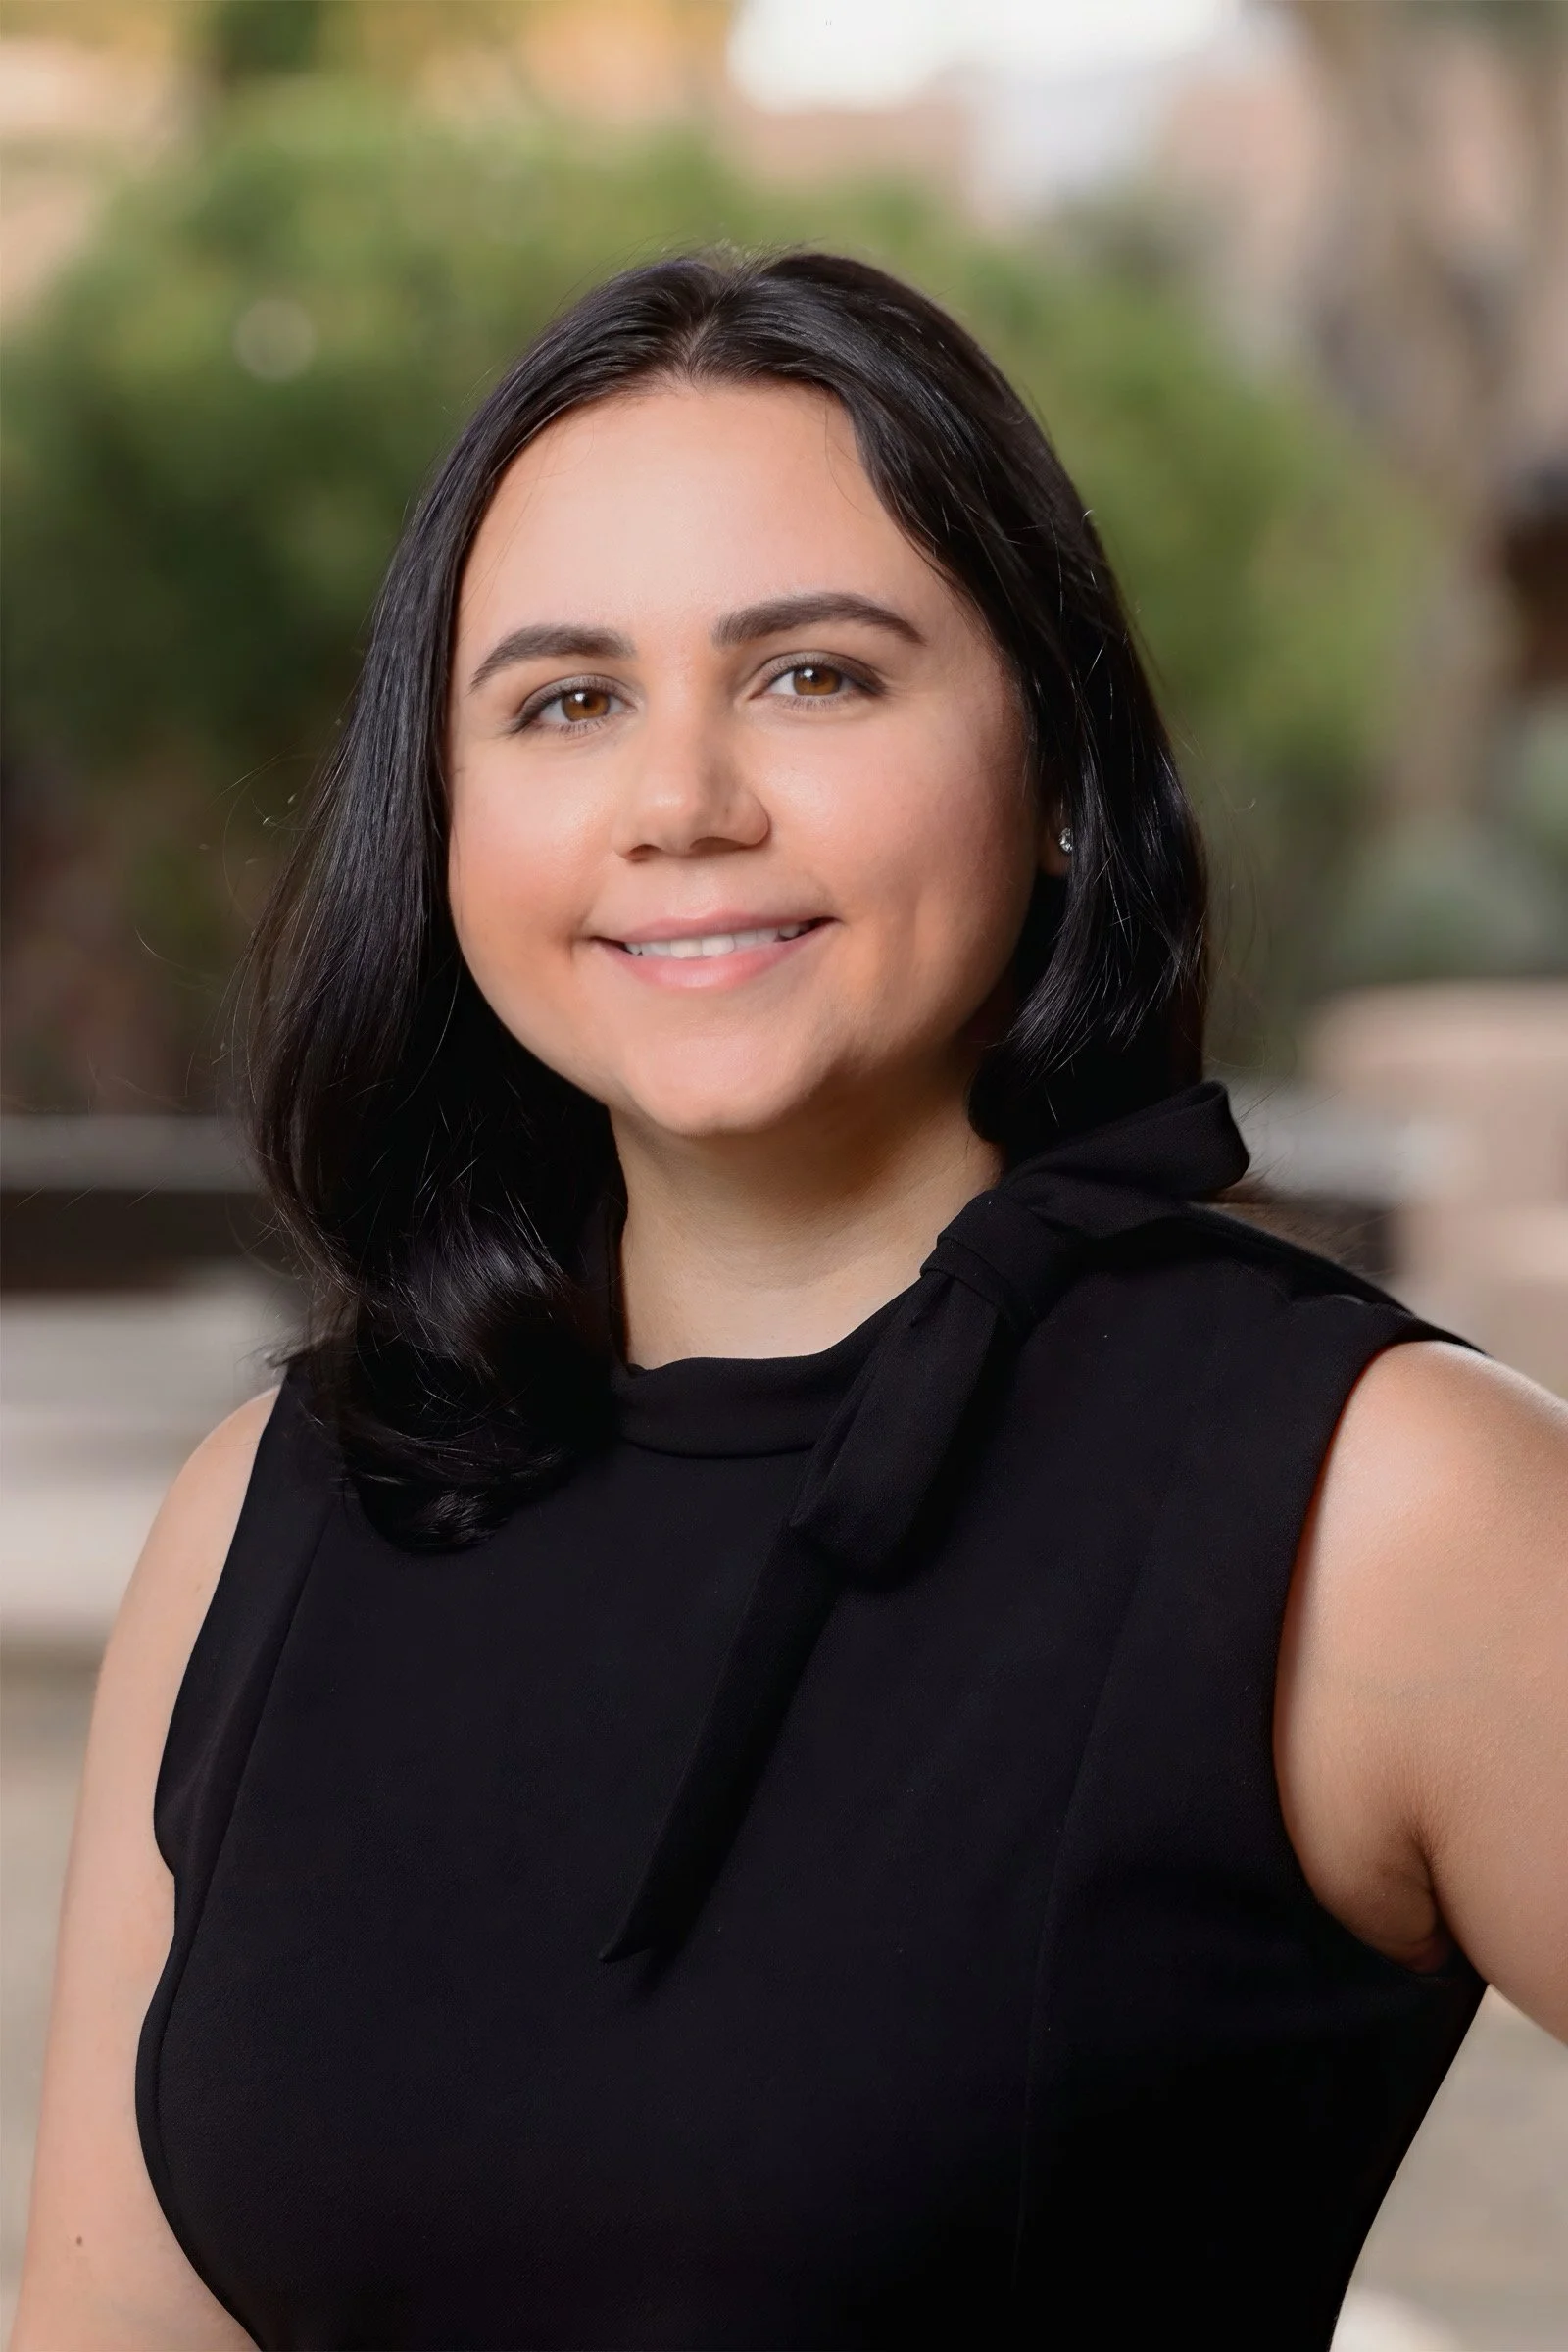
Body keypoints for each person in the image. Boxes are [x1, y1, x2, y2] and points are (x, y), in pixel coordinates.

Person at [15, 250, 1566, 2352]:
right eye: (566, 702)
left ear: (1053, 776)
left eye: (813, 675)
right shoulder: (265, 1512)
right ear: (447, 822)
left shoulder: (1379, 1501)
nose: (680, 805)